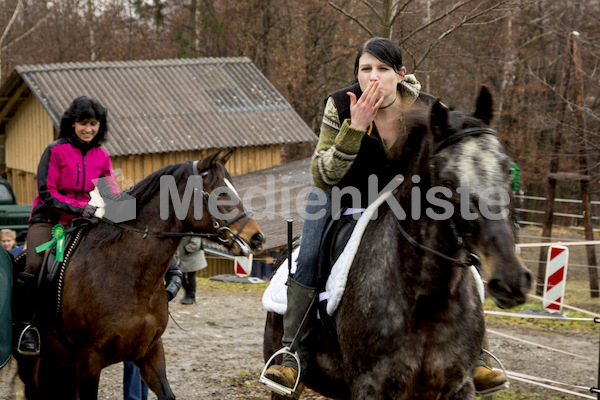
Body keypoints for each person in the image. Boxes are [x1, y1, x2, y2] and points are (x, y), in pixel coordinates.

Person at [263, 37, 507, 397]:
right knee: (310, 255)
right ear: (357, 74)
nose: (373, 77)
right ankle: (291, 355)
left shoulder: (426, 107)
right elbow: (322, 174)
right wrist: (356, 128)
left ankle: (478, 355)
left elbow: (445, 160)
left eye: (383, 69)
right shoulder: (338, 105)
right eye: (365, 69)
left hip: (400, 201)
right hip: (339, 193)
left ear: (401, 74)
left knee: (459, 257)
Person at [15, 96, 121, 355]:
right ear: (72, 124)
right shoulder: (55, 150)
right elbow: (46, 193)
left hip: (84, 223)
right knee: (35, 264)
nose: (88, 129)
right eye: (82, 123)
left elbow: (111, 194)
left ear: (100, 126)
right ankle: (27, 327)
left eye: (93, 123)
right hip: (49, 221)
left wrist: (131, 210)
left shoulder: (102, 156)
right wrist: (80, 209)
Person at [122, 257, 182, 400]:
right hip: (129, 318)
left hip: (152, 321)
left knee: (150, 362)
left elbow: (176, 274)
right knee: (133, 363)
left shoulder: (161, 249)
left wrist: (167, 295)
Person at [178, 236, 208, 305]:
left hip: (192, 258)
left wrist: (185, 249)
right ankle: (187, 294)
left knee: (191, 276)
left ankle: (191, 297)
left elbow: (196, 244)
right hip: (184, 258)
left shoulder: (193, 230)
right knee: (180, 275)